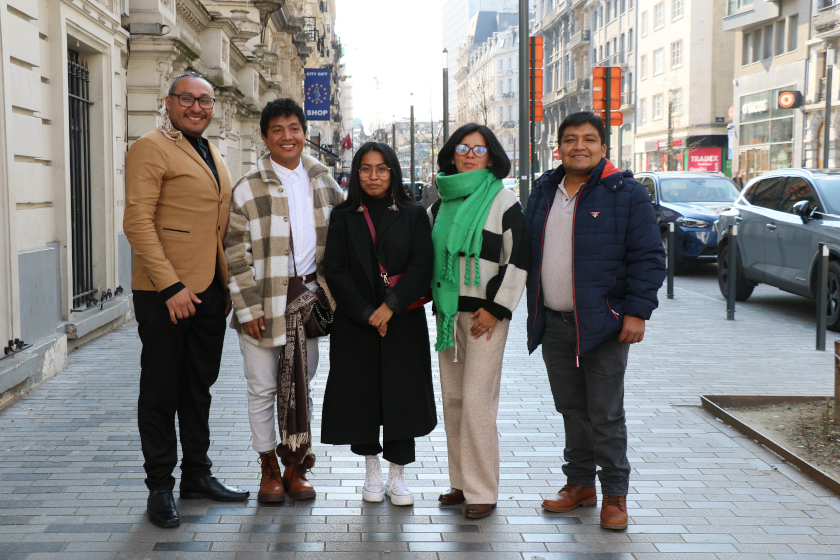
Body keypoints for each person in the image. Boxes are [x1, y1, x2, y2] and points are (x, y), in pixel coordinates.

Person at [524, 111, 665, 531]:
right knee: (571, 409)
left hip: (605, 324)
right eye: (570, 139)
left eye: (588, 139)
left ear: (603, 147)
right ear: (559, 147)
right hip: (553, 321)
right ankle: (580, 483)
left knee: (605, 413)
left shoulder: (625, 193)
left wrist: (637, 312)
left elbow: (649, 257)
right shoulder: (545, 189)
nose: (579, 146)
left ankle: (615, 497)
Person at [124, 72, 249, 529]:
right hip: (166, 293)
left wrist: (225, 284)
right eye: (188, 99)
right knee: (160, 390)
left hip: (209, 291)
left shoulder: (210, 150)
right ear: (169, 101)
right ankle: (160, 485)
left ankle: (197, 474)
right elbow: (137, 222)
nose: (197, 108)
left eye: (205, 101)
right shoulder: (149, 147)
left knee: (198, 388)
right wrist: (171, 287)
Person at [225, 98, 344, 503]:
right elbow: (233, 252)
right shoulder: (248, 187)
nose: (287, 136)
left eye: (294, 128)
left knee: (302, 385)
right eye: (277, 130)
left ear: (304, 133)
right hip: (263, 303)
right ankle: (268, 468)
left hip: (310, 302)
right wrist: (247, 309)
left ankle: (296, 464)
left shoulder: (325, 182)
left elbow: (343, 243)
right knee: (262, 387)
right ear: (265, 137)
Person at [321, 142, 436, 506]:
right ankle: (372, 470)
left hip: (402, 318)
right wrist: (368, 312)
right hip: (357, 321)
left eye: (382, 168)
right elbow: (335, 270)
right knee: (363, 395)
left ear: (393, 172)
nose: (374, 176)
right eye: (366, 169)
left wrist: (390, 307)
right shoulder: (343, 215)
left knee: (403, 396)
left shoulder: (413, 213)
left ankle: (398, 475)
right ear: (356, 174)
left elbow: (422, 266)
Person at [430, 124, 529, 519]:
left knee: (476, 402)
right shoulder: (439, 204)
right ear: (452, 154)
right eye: (462, 147)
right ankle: (461, 482)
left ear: (491, 156)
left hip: (486, 316)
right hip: (448, 316)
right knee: (454, 401)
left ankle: (482, 489)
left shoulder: (504, 201)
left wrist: (497, 308)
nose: (470, 154)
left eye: (479, 148)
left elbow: (518, 258)